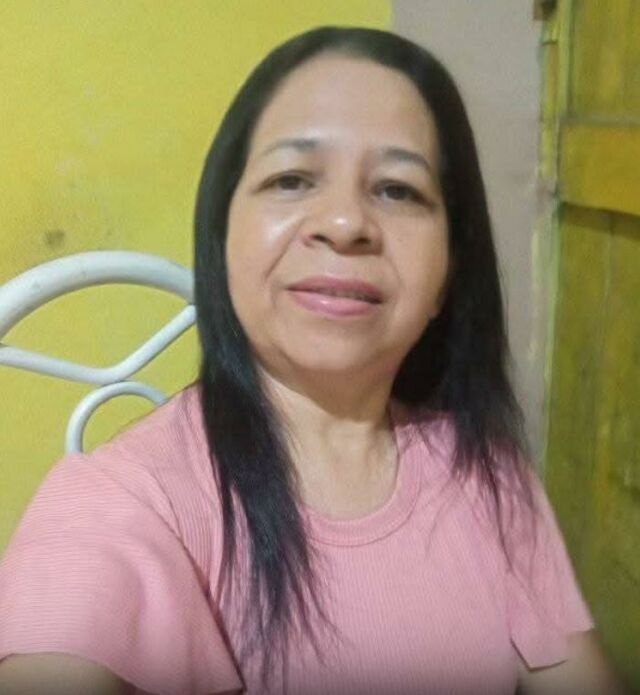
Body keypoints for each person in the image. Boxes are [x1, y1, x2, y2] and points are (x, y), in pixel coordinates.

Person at [0, 26, 628, 695]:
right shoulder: (118, 504)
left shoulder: (488, 475)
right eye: (292, 179)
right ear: (222, 235)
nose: (344, 223)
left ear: (449, 271)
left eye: (397, 189)